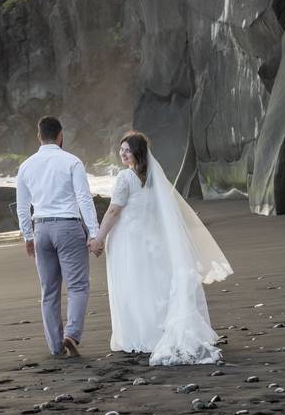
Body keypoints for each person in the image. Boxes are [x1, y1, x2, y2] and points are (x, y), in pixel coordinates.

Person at [89, 131, 232, 365]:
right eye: (121, 149)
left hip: (129, 240)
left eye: (128, 149)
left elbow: (114, 210)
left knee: (134, 285)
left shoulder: (125, 178)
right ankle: (158, 331)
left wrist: (98, 239)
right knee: (154, 284)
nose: (123, 153)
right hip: (153, 240)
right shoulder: (155, 177)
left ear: (138, 152)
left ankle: (141, 335)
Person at [16, 116, 100, 357]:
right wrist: (93, 232)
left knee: (49, 290)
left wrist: (27, 236)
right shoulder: (72, 162)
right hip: (68, 227)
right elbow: (84, 198)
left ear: (39, 136)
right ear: (61, 135)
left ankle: (55, 346)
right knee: (78, 285)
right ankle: (71, 334)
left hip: (41, 228)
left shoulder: (26, 166)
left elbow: (23, 206)